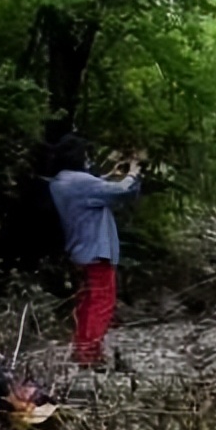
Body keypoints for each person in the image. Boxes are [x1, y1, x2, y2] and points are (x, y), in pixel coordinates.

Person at [48, 134, 141, 367]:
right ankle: (90, 352)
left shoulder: (60, 182)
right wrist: (133, 172)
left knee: (86, 301)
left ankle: (82, 348)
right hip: (96, 250)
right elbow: (121, 191)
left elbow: (96, 187)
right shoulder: (80, 182)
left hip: (78, 249)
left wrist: (111, 171)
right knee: (101, 301)